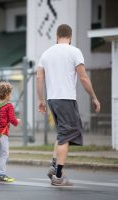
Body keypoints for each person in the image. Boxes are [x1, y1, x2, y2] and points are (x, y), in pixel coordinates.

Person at [36, 24, 101, 186]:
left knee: (62, 133)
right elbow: (84, 78)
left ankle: (53, 166)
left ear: (57, 36)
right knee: (66, 135)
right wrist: (94, 97)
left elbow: (39, 78)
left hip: (52, 99)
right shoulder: (74, 51)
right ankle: (58, 176)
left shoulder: (46, 53)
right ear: (70, 37)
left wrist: (41, 100)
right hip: (66, 99)